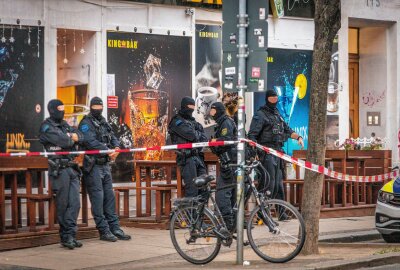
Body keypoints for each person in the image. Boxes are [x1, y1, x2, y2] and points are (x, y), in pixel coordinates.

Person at [79, 97, 131, 242]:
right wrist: (107, 149)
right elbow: (90, 142)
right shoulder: (85, 123)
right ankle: (103, 230)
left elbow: (113, 137)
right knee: (98, 199)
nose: (98, 108)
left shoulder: (103, 121)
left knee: (109, 198)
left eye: (100, 106)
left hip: (105, 165)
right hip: (93, 165)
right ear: (91, 107)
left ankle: (115, 228)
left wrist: (116, 148)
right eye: (95, 106)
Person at [39, 99, 84, 249]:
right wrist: (71, 138)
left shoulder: (64, 124)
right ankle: (65, 237)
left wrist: (72, 137)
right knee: (63, 204)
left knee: (75, 204)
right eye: (59, 108)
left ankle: (71, 234)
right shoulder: (46, 126)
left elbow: (80, 135)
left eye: (63, 108)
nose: (62, 111)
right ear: (52, 110)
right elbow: (64, 141)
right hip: (59, 170)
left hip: (72, 168)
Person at [248, 89, 304, 205]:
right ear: (267, 98)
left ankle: (282, 212)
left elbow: (287, 130)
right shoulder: (260, 114)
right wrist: (255, 153)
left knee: (279, 184)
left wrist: (298, 137)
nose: (274, 99)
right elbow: (252, 135)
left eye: (275, 97)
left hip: (278, 153)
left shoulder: (277, 114)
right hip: (266, 154)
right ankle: (262, 213)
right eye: (272, 97)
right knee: (269, 183)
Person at [168, 97, 208, 197]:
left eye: (193, 106)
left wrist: (196, 134)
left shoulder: (195, 122)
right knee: (192, 190)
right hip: (186, 159)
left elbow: (204, 139)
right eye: (190, 106)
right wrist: (197, 133)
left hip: (198, 157)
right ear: (184, 106)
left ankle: (200, 212)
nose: (191, 109)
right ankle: (190, 212)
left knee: (205, 190)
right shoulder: (176, 121)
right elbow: (191, 135)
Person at [209, 102, 237, 230]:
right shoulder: (222, 122)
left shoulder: (225, 122)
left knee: (222, 195)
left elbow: (226, 139)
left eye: (213, 110)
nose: (211, 113)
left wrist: (214, 142)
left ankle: (227, 225)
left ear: (219, 110)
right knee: (231, 195)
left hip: (229, 163)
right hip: (230, 162)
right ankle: (232, 225)